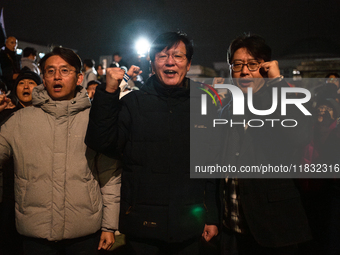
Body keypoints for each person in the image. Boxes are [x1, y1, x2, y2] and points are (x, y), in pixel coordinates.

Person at [85, 32, 219, 254]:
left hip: (189, 225)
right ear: (152, 61)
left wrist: (212, 216)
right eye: (162, 55)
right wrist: (108, 93)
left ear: (189, 63)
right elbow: (101, 142)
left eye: (178, 56)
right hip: (142, 226)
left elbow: (211, 165)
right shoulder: (132, 103)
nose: (170, 62)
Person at [0, 47, 121, 254]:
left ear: (79, 77)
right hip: (34, 232)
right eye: (50, 71)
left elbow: (110, 175)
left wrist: (109, 226)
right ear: (43, 78)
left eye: (65, 71)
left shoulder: (95, 120)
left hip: (84, 231)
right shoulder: (19, 121)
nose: (57, 77)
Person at [220, 34, 312, 255]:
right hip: (232, 228)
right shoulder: (226, 109)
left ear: (265, 68)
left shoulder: (283, 100)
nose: (244, 71)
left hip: (274, 229)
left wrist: (277, 83)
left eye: (253, 64)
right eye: (237, 65)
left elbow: (299, 136)